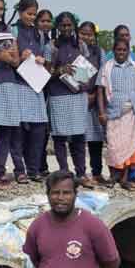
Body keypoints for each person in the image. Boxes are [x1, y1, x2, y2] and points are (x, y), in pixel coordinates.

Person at [0, 0, 47, 188]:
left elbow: (15, 62)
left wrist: (20, 57)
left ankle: (1, 171)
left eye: (0, 9)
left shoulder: (8, 30)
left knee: (6, 129)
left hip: (9, 82)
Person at [48, 12, 94, 188]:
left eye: (69, 25)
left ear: (74, 26)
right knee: (60, 136)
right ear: (57, 27)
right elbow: (45, 73)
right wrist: (60, 70)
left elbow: (86, 70)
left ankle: (81, 173)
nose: (66, 28)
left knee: (79, 135)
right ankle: (64, 173)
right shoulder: (51, 47)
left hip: (77, 94)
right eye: (63, 25)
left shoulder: (81, 45)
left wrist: (81, 79)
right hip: (58, 94)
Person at [97, 38, 135, 190]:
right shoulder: (107, 67)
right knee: (113, 144)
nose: (121, 53)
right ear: (113, 51)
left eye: (124, 50)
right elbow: (100, 90)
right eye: (118, 50)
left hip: (132, 111)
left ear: (128, 52)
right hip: (114, 111)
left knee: (128, 145)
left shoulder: (134, 67)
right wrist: (101, 112)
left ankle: (124, 179)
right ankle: (113, 176)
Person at [8, 0, 50, 183]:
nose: (31, 17)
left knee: (39, 128)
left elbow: (45, 56)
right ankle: (20, 170)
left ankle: (34, 169)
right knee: (18, 130)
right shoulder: (12, 30)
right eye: (28, 13)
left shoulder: (39, 34)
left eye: (34, 14)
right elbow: (8, 55)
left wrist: (41, 59)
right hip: (17, 84)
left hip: (35, 86)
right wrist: (19, 56)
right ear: (20, 12)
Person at [78, 21, 108, 186]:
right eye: (83, 33)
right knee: (79, 138)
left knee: (96, 139)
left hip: (96, 100)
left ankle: (97, 172)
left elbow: (102, 75)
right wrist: (83, 95)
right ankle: (80, 172)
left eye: (89, 34)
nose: (86, 37)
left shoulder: (99, 52)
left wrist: (95, 94)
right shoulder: (76, 50)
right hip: (78, 98)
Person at [36, 8, 54, 177]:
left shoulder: (52, 41)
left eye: (48, 21)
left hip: (48, 86)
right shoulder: (34, 39)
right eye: (42, 21)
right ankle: (36, 164)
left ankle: (42, 165)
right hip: (34, 85)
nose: (46, 24)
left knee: (45, 128)